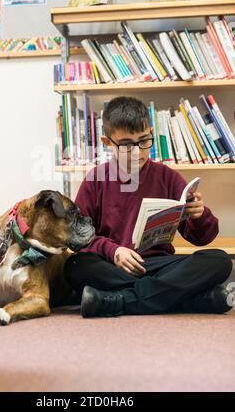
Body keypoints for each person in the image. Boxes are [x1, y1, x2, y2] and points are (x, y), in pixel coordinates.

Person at [64, 96, 234, 317]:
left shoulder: (167, 177)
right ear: (107, 143)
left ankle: (121, 301)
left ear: (151, 132)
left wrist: (199, 215)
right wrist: (114, 251)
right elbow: (78, 237)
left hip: (158, 264)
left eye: (144, 140)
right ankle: (184, 299)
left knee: (219, 261)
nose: (138, 152)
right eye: (126, 145)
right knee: (76, 265)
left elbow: (202, 238)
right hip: (115, 265)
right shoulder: (96, 179)